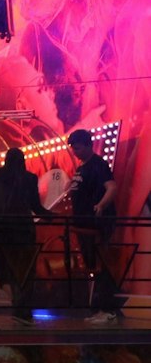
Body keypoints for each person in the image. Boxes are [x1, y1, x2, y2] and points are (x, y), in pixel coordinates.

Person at [0, 148, 48, 324]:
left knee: (6, 272)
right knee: (26, 271)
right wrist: (53, 216)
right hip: (23, 231)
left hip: (0, 231)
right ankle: (22, 311)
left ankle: (16, 303)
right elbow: (36, 207)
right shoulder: (29, 178)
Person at [68, 128, 122, 323]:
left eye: (78, 147)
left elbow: (112, 187)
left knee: (100, 264)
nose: (75, 151)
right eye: (73, 148)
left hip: (96, 225)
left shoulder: (98, 165)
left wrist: (101, 205)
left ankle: (108, 309)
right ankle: (101, 308)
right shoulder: (82, 167)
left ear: (89, 145)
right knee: (93, 265)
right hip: (84, 225)